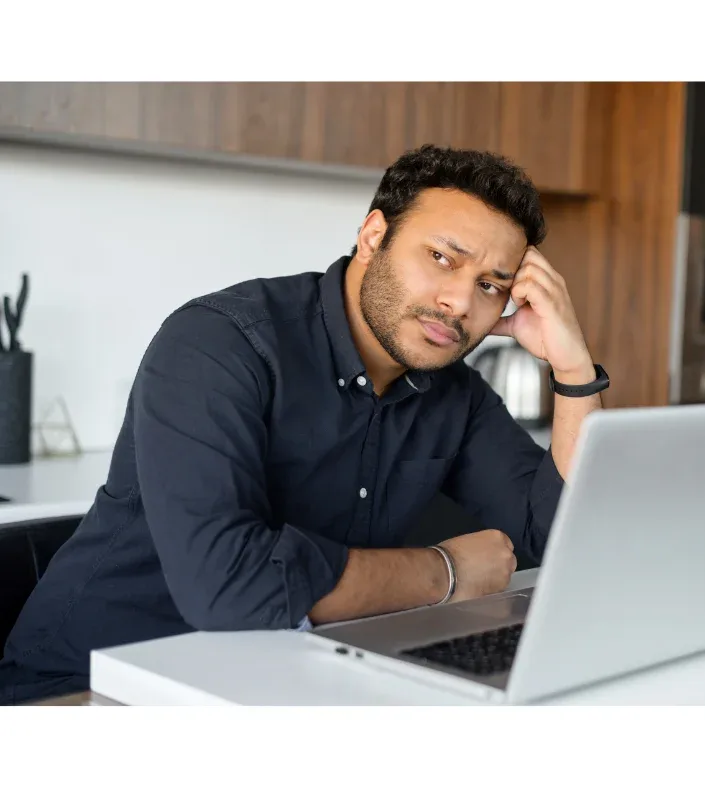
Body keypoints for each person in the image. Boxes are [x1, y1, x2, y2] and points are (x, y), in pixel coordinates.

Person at [0, 144, 608, 704]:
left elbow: (564, 538)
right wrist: (445, 573)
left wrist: (573, 364)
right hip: (90, 688)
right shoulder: (219, 344)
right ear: (374, 235)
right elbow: (229, 587)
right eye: (441, 258)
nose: (459, 301)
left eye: (489, 286)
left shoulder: (452, 392)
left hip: (284, 679)